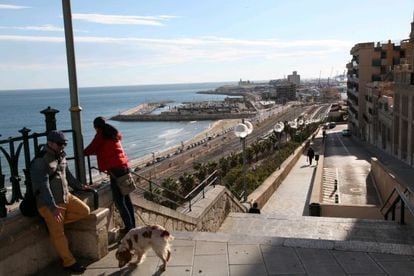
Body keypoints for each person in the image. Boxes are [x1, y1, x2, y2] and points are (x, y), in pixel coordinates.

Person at [31, 130, 90, 273]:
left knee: (85, 211)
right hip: (50, 203)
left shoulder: (61, 156)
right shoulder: (40, 161)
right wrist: (52, 207)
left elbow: (67, 175)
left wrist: (80, 186)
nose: (62, 147)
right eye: (59, 144)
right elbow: (43, 187)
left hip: (65, 196)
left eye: (64, 144)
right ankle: (69, 262)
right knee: (59, 235)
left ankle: (55, 225)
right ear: (50, 143)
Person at [84, 116, 136, 234]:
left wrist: (81, 152)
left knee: (119, 201)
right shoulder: (112, 133)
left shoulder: (101, 134)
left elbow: (91, 148)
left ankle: (130, 229)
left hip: (115, 171)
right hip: (124, 167)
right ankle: (133, 226)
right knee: (127, 199)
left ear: (96, 127)